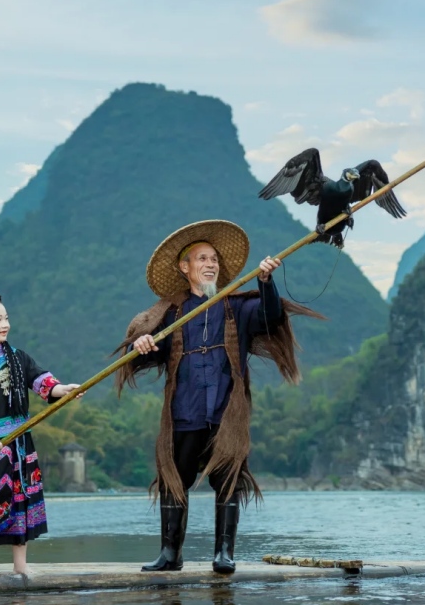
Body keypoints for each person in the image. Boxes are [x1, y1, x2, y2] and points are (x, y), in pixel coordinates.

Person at [118, 220, 320, 574]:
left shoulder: (237, 307)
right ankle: (170, 554)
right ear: (186, 268)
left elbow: (271, 317)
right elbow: (149, 352)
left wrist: (266, 282)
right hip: (185, 412)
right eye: (202, 259)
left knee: (229, 480)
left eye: (214, 259)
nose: (211, 264)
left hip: (227, 413)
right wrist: (142, 343)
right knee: (174, 479)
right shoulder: (171, 314)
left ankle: (224, 553)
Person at [0, 282, 79, 577]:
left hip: (19, 446)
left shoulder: (19, 359)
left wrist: (64, 390)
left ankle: (20, 565)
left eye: (6, 318)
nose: (5, 324)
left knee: (20, 502)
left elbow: (43, 382)